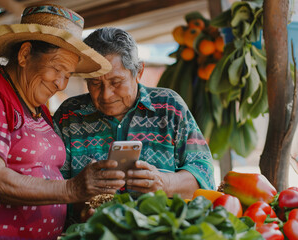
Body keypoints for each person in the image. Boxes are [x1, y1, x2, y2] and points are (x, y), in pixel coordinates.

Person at [0, 5, 126, 240]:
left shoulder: (39, 109)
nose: (61, 84)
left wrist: (85, 202)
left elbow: (46, 176)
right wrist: (72, 189)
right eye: (57, 69)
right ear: (24, 55)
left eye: (69, 75)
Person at [53, 27, 215, 208]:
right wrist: (80, 195)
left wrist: (164, 183)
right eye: (95, 83)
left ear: (139, 72)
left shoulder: (169, 107)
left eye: (116, 82)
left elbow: (204, 173)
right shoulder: (69, 115)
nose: (106, 95)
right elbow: (50, 186)